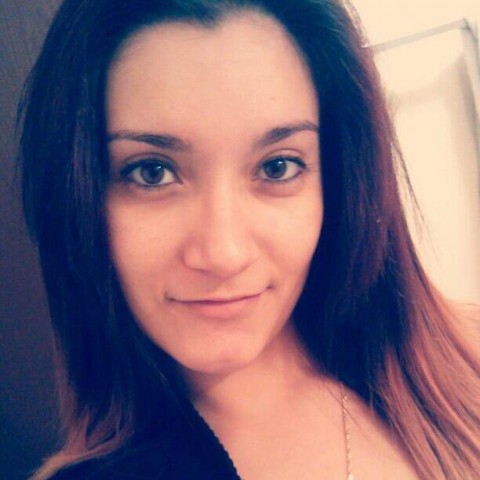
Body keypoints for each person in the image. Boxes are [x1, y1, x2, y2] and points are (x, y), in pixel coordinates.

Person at [17, 0, 480, 479]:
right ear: (77, 197)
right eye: (152, 172)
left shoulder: (466, 365)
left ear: (340, 181)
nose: (223, 254)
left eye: (277, 167)